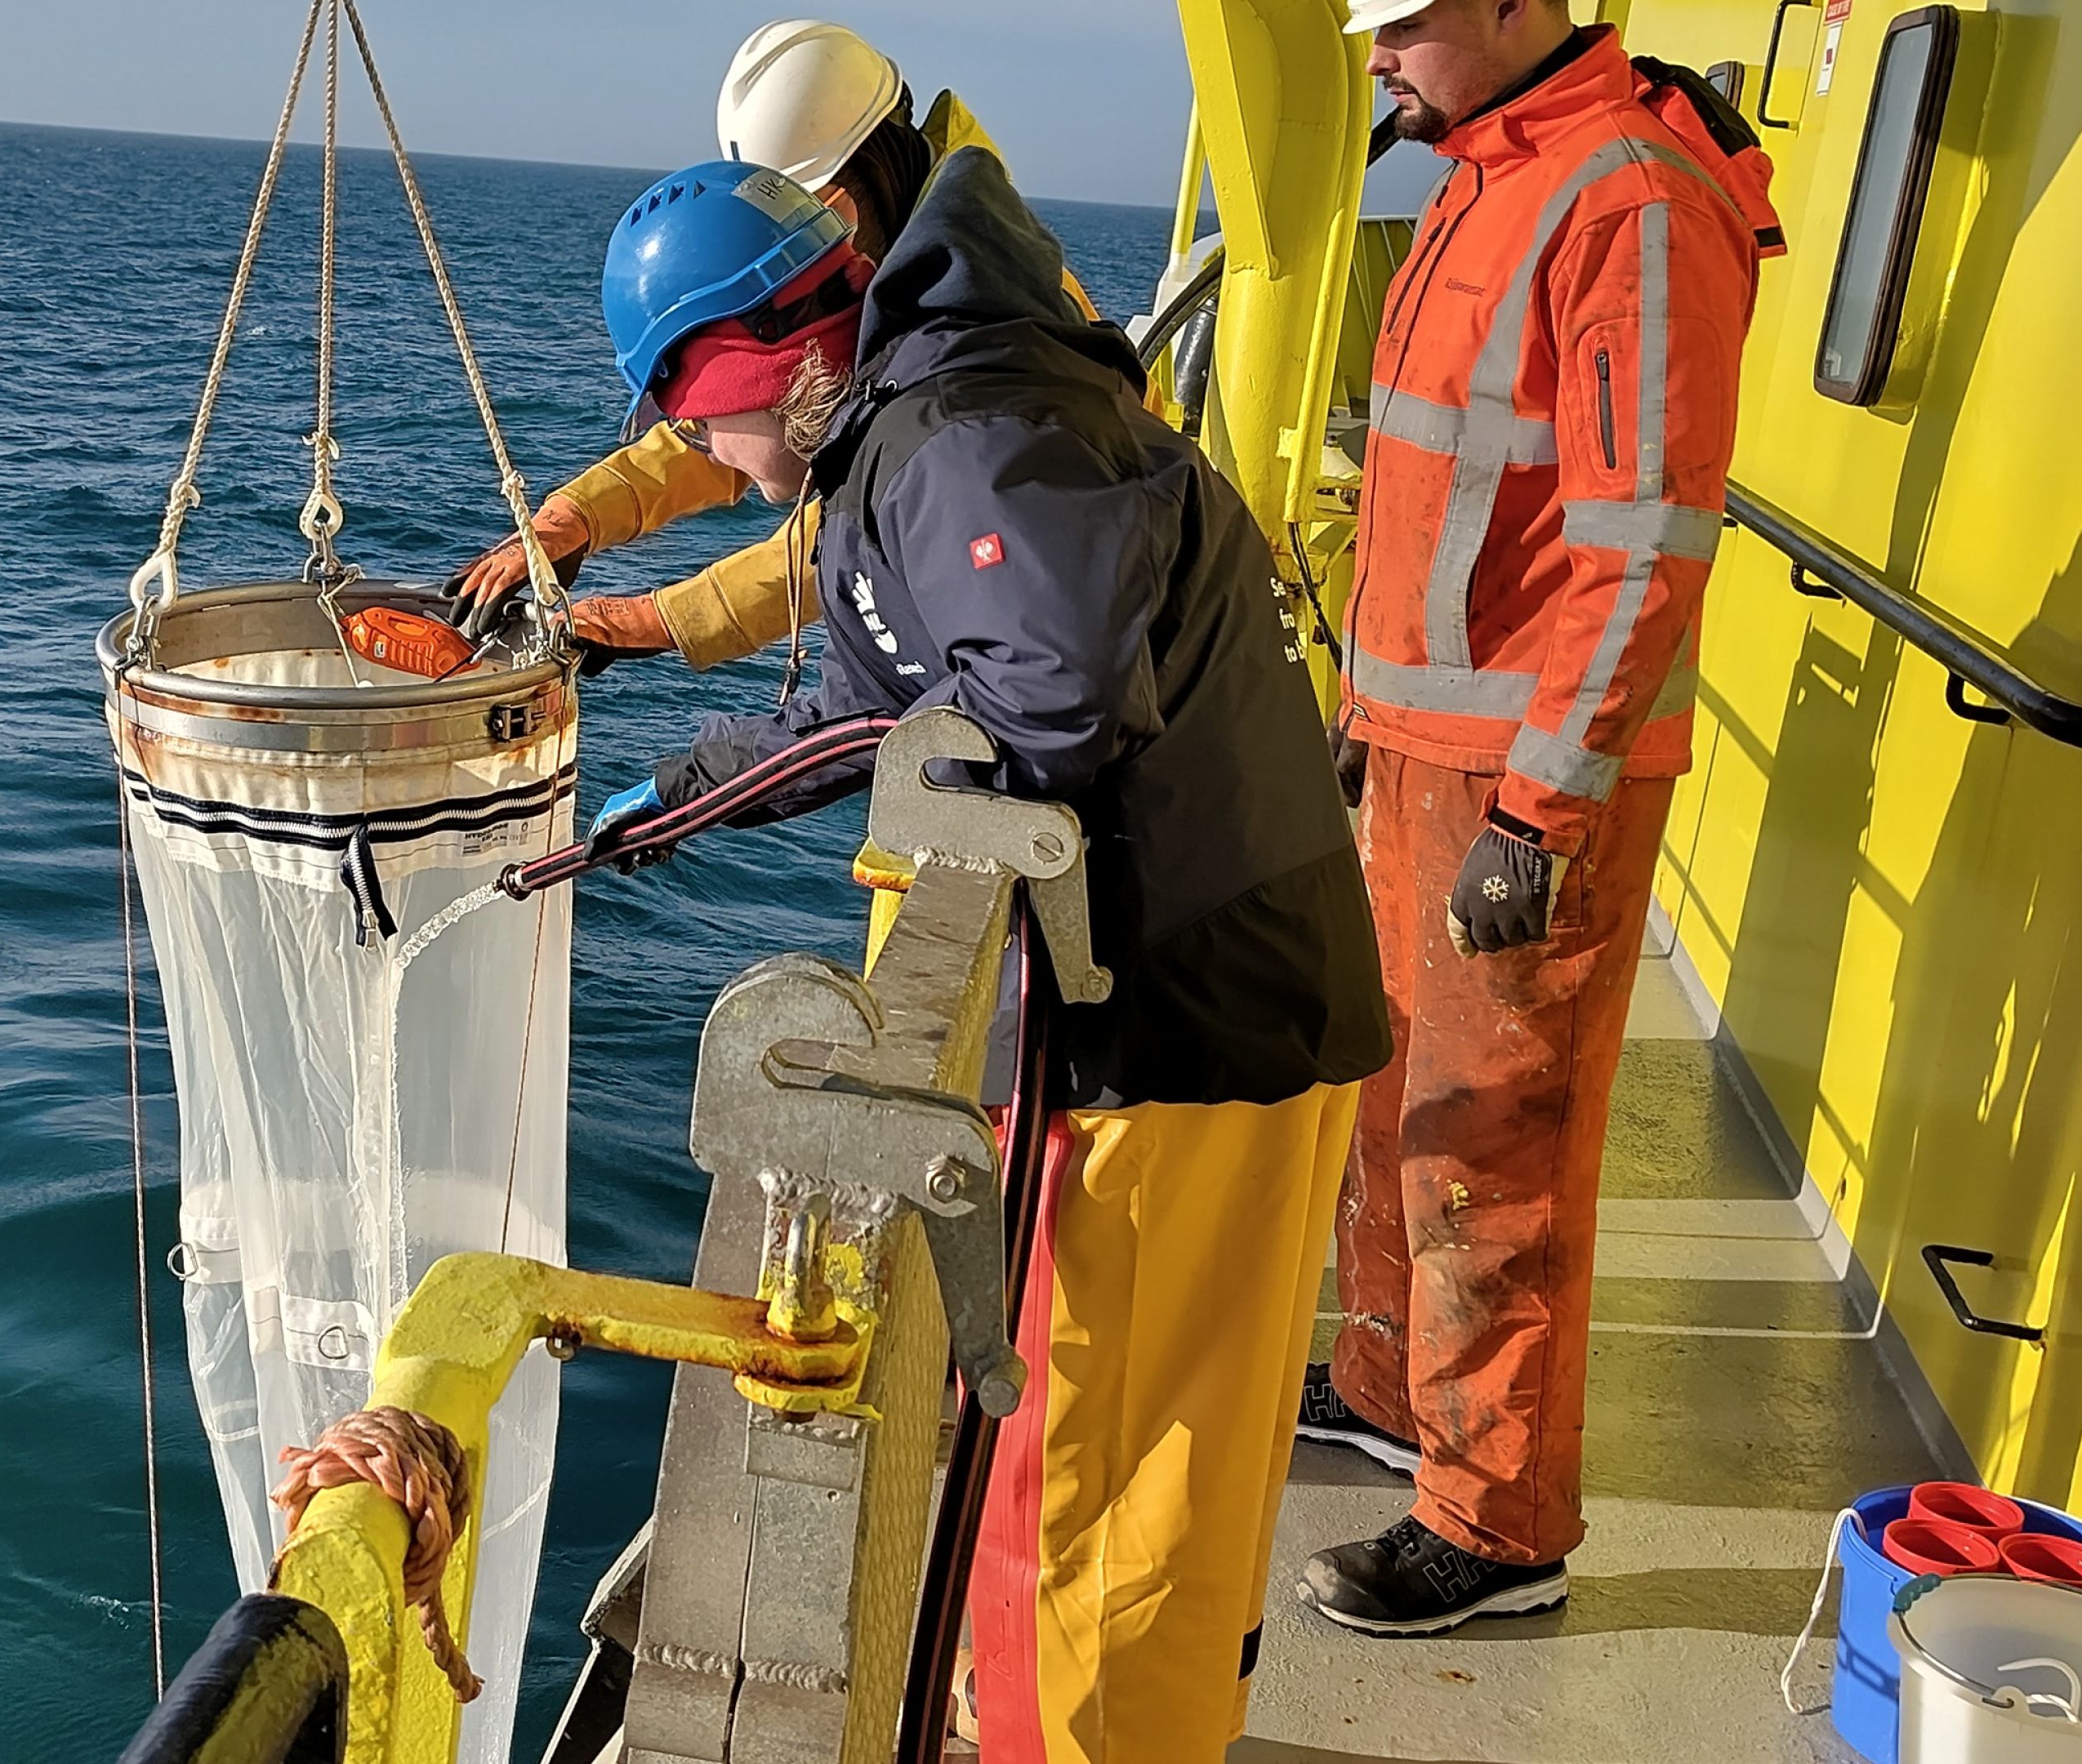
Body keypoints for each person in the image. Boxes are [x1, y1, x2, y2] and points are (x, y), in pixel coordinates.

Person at [581, 152, 1391, 1762]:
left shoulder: (958, 441)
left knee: (1119, 1476)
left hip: (1182, 1017)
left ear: (757, 362)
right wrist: (686, 793)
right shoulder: (942, 411)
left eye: (704, 424)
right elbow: (885, 695)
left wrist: (788, 779)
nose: (721, 466)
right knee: (1126, 1449)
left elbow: (1046, 699)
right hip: (1210, 989)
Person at [1294, 0, 1783, 1637]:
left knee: (1494, 1152)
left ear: (1515, 5)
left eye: (1405, 26)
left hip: (1520, 781)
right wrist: (1375, 726)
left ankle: (1494, 1528)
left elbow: (1642, 538)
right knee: (1396, 1105)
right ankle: (1386, 1388)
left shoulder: (1627, 193)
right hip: (1431, 750)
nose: (1377, 59)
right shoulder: (1488, 162)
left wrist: (1539, 806)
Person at [450, 18, 1094, 673]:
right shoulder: (899, 270)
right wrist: (575, 516)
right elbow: (753, 417)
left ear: (840, 202)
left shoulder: (972, 322)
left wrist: (659, 619)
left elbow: (879, 521)